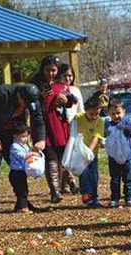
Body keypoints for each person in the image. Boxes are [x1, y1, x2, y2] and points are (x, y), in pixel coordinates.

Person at [0, 83, 46, 214]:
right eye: (24, 102)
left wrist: (41, 139)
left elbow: (38, 119)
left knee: (19, 165)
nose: (26, 106)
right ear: (19, 95)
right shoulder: (1, 94)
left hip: (11, 131)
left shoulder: (32, 100)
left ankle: (22, 201)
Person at [30, 55, 76, 203]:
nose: (51, 73)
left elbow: (71, 101)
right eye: (48, 70)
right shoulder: (36, 86)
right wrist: (43, 98)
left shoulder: (60, 85)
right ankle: (55, 191)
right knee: (51, 158)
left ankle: (71, 182)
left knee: (64, 155)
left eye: (54, 70)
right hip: (45, 126)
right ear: (42, 69)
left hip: (60, 125)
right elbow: (34, 108)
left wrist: (66, 99)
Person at [57, 63, 84, 195]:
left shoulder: (75, 91)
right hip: (60, 126)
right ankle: (72, 182)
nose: (68, 78)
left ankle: (64, 184)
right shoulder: (57, 90)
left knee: (70, 154)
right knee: (63, 154)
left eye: (70, 75)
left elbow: (81, 110)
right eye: (65, 75)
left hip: (73, 126)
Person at [105, 98, 131, 207]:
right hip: (113, 157)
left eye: (118, 113)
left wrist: (125, 127)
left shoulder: (126, 121)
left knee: (127, 178)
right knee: (115, 178)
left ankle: (129, 197)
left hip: (127, 156)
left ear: (124, 112)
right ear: (109, 113)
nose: (116, 116)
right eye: (113, 114)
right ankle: (115, 198)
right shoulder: (108, 124)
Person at [76, 97, 104, 207]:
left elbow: (96, 137)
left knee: (93, 175)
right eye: (91, 114)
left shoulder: (99, 121)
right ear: (85, 110)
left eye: (96, 114)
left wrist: (89, 151)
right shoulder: (78, 118)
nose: (94, 117)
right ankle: (86, 194)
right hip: (80, 152)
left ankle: (94, 197)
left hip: (92, 153)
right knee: (83, 173)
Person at [8, 123, 39, 213]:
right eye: (22, 136)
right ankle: (23, 207)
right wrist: (31, 154)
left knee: (23, 190)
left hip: (22, 172)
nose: (25, 139)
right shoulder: (14, 146)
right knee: (21, 191)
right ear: (15, 136)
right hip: (16, 172)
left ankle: (21, 206)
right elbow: (22, 156)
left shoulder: (24, 145)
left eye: (26, 136)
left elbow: (29, 155)